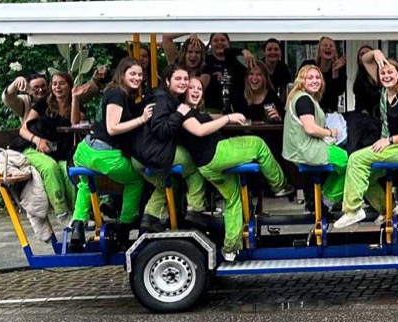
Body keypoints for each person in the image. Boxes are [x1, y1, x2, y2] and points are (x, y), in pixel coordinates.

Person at [178, 77, 295, 261]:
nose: (195, 91)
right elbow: (199, 130)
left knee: (233, 199)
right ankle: (280, 185)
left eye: (199, 88)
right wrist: (228, 117)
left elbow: (208, 118)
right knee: (258, 144)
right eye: (191, 87)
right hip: (216, 154)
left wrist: (230, 116)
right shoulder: (183, 111)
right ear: (183, 90)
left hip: (206, 166)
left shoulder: (194, 111)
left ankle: (231, 247)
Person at [69, 58, 153, 250]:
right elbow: (113, 128)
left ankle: (77, 225)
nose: (137, 78)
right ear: (122, 74)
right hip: (104, 155)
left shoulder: (118, 93)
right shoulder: (116, 93)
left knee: (86, 183)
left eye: (140, 74)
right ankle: (124, 226)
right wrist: (142, 119)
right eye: (133, 74)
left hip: (84, 151)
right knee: (136, 180)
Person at [333, 51, 398, 229]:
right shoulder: (384, 93)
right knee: (366, 178)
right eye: (383, 73)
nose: (386, 76)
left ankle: (352, 209)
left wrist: (388, 140)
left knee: (356, 159)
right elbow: (365, 60)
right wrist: (376, 54)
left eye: (391, 73)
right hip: (394, 145)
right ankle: (388, 208)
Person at [131, 64, 206, 233]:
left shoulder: (158, 96)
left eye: (185, 79)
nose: (183, 82)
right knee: (195, 167)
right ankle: (196, 211)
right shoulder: (164, 99)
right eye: (178, 79)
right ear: (167, 81)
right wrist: (179, 114)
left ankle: (150, 218)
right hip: (153, 153)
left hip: (138, 157)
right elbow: (161, 131)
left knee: (167, 183)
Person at [17, 72, 82, 228]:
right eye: (54, 84)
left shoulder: (75, 103)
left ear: (69, 86)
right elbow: (23, 130)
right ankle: (62, 212)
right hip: (33, 147)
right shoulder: (42, 104)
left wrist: (74, 99)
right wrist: (37, 140)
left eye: (62, 83)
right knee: (50, 168)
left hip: (57, 151)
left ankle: (77, 216)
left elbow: (75, 122)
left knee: (68, 172)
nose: (57, 87)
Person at [282, 65, 348, 209]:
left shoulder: (301, 98)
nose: (315, 81)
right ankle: (327, 199)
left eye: (318, 77)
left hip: (302, 150)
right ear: (301, 81)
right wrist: (331, 132)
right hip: (309, 150)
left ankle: (321, 199)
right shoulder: (304, 100)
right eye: (310, 77)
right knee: (352, 163)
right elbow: (310, 128)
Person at [300, 36, 346, 113]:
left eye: (331, 46)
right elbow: (300, 87)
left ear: (334, 51)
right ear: (319, 50)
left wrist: (335, 72)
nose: (328, 47)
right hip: (309, 111)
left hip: (330, 113)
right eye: (325, 45)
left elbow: (338, 93)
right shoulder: (308, 65)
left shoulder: (340, 69)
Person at [352, 45, 381, 117]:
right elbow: (359, 105)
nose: (365, 56)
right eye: (362, 54)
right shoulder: (359, 81)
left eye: (368, 53)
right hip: (369, 117)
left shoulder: (383, 73)